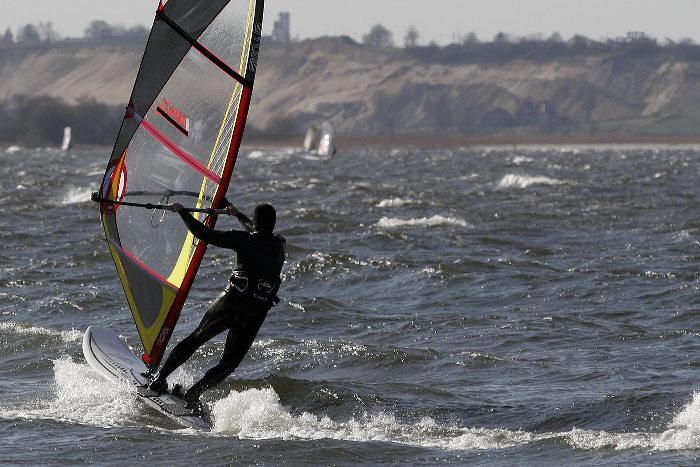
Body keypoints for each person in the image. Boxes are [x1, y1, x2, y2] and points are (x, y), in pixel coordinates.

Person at [147, 197, 286, 410]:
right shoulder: (279, 244)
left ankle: (158, 381)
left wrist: (182, 211)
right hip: (256, 311)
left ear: (255, 223)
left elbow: (204, 234)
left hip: (232, 301)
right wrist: (237, 214)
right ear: (273, 224)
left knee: (196, 338)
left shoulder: (243, 239)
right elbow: (256, 231)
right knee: (229, 363)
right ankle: (194, 394)